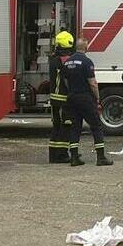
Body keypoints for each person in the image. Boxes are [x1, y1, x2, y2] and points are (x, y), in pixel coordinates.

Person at [62, 38, 114, 167]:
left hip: (72, 98)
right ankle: (101, 157)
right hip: (85, 98)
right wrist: (97, 98)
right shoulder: (87, 62)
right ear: (86, 48)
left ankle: (74, 157)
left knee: (75, 127)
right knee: (96, 126)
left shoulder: (67, 62)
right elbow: (92, 83)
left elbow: (65, 81)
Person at [46, 31, 75, 164]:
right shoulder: (65, 60)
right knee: (66, 126)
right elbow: (67, 81)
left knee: (57, 126)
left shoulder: (54, 59)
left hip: (55, 99)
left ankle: (53, 155)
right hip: (64, 99)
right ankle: (62, 154)